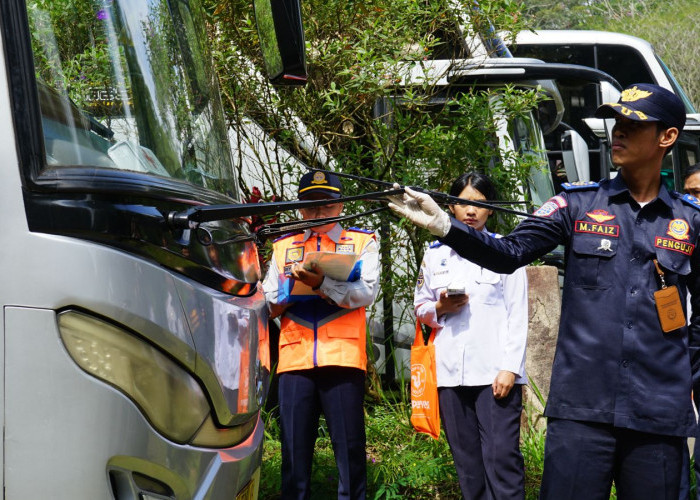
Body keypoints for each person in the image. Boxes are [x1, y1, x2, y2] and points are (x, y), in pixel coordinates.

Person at [388, 83, 700, 499]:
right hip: (581, 414)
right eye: (616, 122)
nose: (618, 132)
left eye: (633, 124)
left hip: (658, 416)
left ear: (667, 137)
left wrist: (684, 376)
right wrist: (447, 228)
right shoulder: (576, 205)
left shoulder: (690, 221)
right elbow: (509, 252)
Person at [262, 171, 380, 500]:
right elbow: (266, 303)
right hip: (295, 360)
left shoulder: (361, 241)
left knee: (350, 456)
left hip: (342, 359)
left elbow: (366, 292)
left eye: (325, 204)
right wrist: (288, 290)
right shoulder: (283, 246)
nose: (318, 212)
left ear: (340, 205)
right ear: (300, 208)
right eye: (310, 205)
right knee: (294, 462)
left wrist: (321, 285)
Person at [414, 172, 528, 499]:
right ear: (450, 207)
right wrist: (440, 306)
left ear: (491, 209)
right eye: (463, 203)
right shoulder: (435, 254)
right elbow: (420, 306)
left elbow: (518, 314)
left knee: (502, 459)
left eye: (479, 205)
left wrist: (511, 368)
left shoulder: (506, 251)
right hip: (449, 374)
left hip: (495, 373)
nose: (471, 211)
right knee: (467, 465)